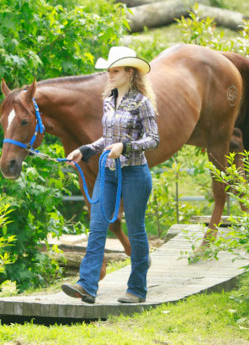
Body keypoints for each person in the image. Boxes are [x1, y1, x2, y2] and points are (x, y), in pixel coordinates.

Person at [61, 46, 159, 304]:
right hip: (109, 173)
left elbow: (153, 139)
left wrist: (125, 147)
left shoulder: (142, 102)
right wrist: (85, 150)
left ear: (130, 72)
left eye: (115, 70)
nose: (109, 74)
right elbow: (108, 139)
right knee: (96, 227)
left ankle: (137, 289)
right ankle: (86, 286)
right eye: (109, 70)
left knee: (136, 230)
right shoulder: (108, 101)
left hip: (135, 174)